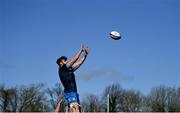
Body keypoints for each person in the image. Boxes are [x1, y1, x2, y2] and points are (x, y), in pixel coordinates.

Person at [56, 45, 90, 113]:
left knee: (79, 111)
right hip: (69, 92)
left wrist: (85, 54)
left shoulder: (68, 69)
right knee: (76, 109)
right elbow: (73, 60)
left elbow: (79, 63)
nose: (66, 61)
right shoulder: (62, 69)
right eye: (64, 60)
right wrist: (80, 51)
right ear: (60, 63)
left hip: (74, 92)